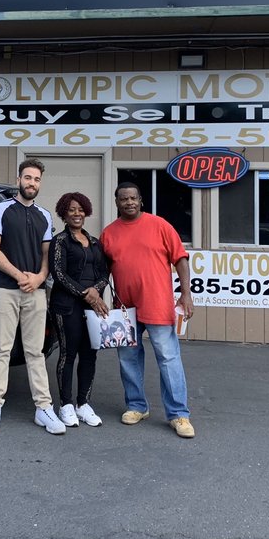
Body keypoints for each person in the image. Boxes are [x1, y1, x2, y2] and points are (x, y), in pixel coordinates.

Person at [100, 182, 196, 438]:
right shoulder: (109, 233)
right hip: (124, 309)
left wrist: (185, 294)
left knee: (168, 357)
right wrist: (99, 302)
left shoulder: (160, 225)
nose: (129, 202)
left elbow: (181, 259)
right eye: (123, 199)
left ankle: (178, 414)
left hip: (158, 303)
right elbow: (102, 272)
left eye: (133, 198)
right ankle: (136, 406)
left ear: (141, 200)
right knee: (128, 359)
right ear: (116, 202)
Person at [0, 158, 66, 435]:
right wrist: (19, 275)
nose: (32, 183)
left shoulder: (44, 215)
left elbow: (46, 254)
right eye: (28, 178)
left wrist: (40, 277)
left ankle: (44, 408)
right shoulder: (0, 209)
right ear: (19, 180)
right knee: (1, 350)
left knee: (36, 352)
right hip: (5, 289)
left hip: (36, 293)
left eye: (37, 179)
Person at [48, 191, 110, 427]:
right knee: (68, 353)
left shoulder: (95, 242)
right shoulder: (61, 241)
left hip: (93, 308)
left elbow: (104, 273)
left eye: (80, 209)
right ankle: (65, 405)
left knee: (90, 354)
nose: (77, 213)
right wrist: (87, 294)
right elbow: (58, 274)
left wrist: (95, 291)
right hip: (66, 307)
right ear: (64, 213)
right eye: (71, 209)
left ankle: (83, 404)